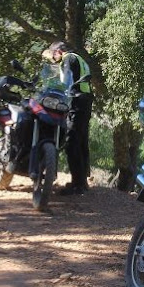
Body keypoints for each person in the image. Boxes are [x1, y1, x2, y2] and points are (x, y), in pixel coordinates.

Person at [43, 41, 93, 195]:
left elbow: (66, 83)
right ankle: (83, 181)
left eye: (53, 55)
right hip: (85, 100)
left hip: (76, 102)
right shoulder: (79, 58)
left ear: (58, 51)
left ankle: (77, 184)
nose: (53, 59)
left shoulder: (68, 59)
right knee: (81, 139)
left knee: (71, 141)